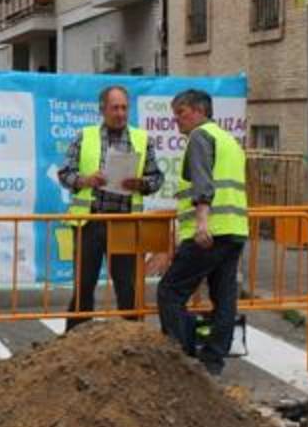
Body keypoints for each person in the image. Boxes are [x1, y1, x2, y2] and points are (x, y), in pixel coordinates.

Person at [156, 89, 248, 376]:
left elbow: (203, 184)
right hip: (234, 230)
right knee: (224, 297)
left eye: (180, 113)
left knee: (170, 291)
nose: (177, 121)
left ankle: (180, 359)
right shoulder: (229, 140)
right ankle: (212, 362)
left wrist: (202, 223)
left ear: (198, 111)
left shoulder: (199, 137)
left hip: (211, 232)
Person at [58, 85, 164, 331]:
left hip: (126, 223)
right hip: (90, 222)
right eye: (115, 107)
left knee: (127, 286)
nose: (120, 113)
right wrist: (86, 180)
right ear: (102, 109)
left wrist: (141, 184)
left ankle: (132, 338)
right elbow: (65, 174)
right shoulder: (84, 136)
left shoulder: (141, 139)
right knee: (84, 284)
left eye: (124, 107)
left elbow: (157, 178)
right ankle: (76, 340)